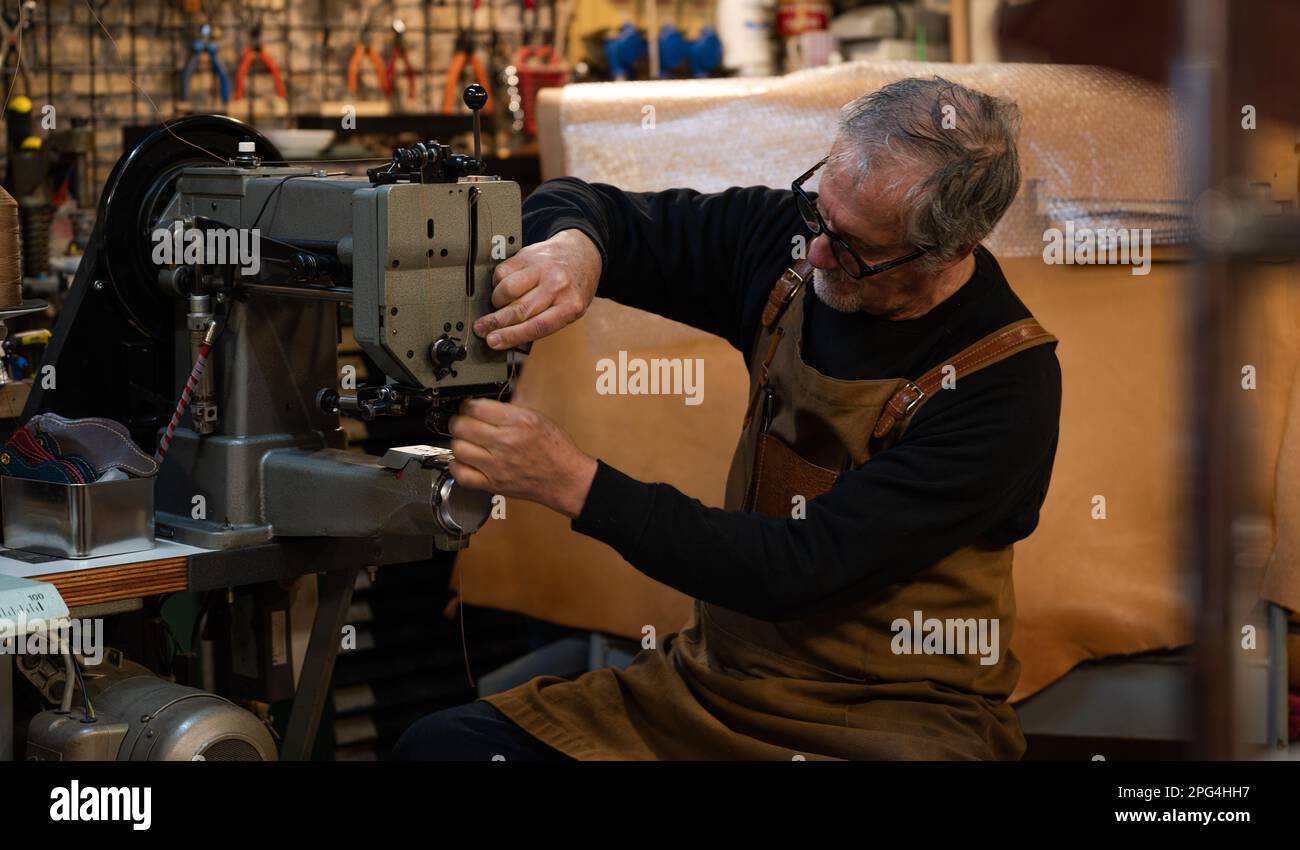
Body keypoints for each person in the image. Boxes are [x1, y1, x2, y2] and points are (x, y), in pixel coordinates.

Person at [393, 76, 1062, 761]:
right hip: (712, 692)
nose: (819, 252)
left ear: (951, 248)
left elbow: (798, 570)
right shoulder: (801, 244)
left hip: (892, 723)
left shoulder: (1003, 384)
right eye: (818, 211)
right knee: (443, 749)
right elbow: (591, 207)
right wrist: (576, 249)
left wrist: (572, 482)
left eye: (856, 248)